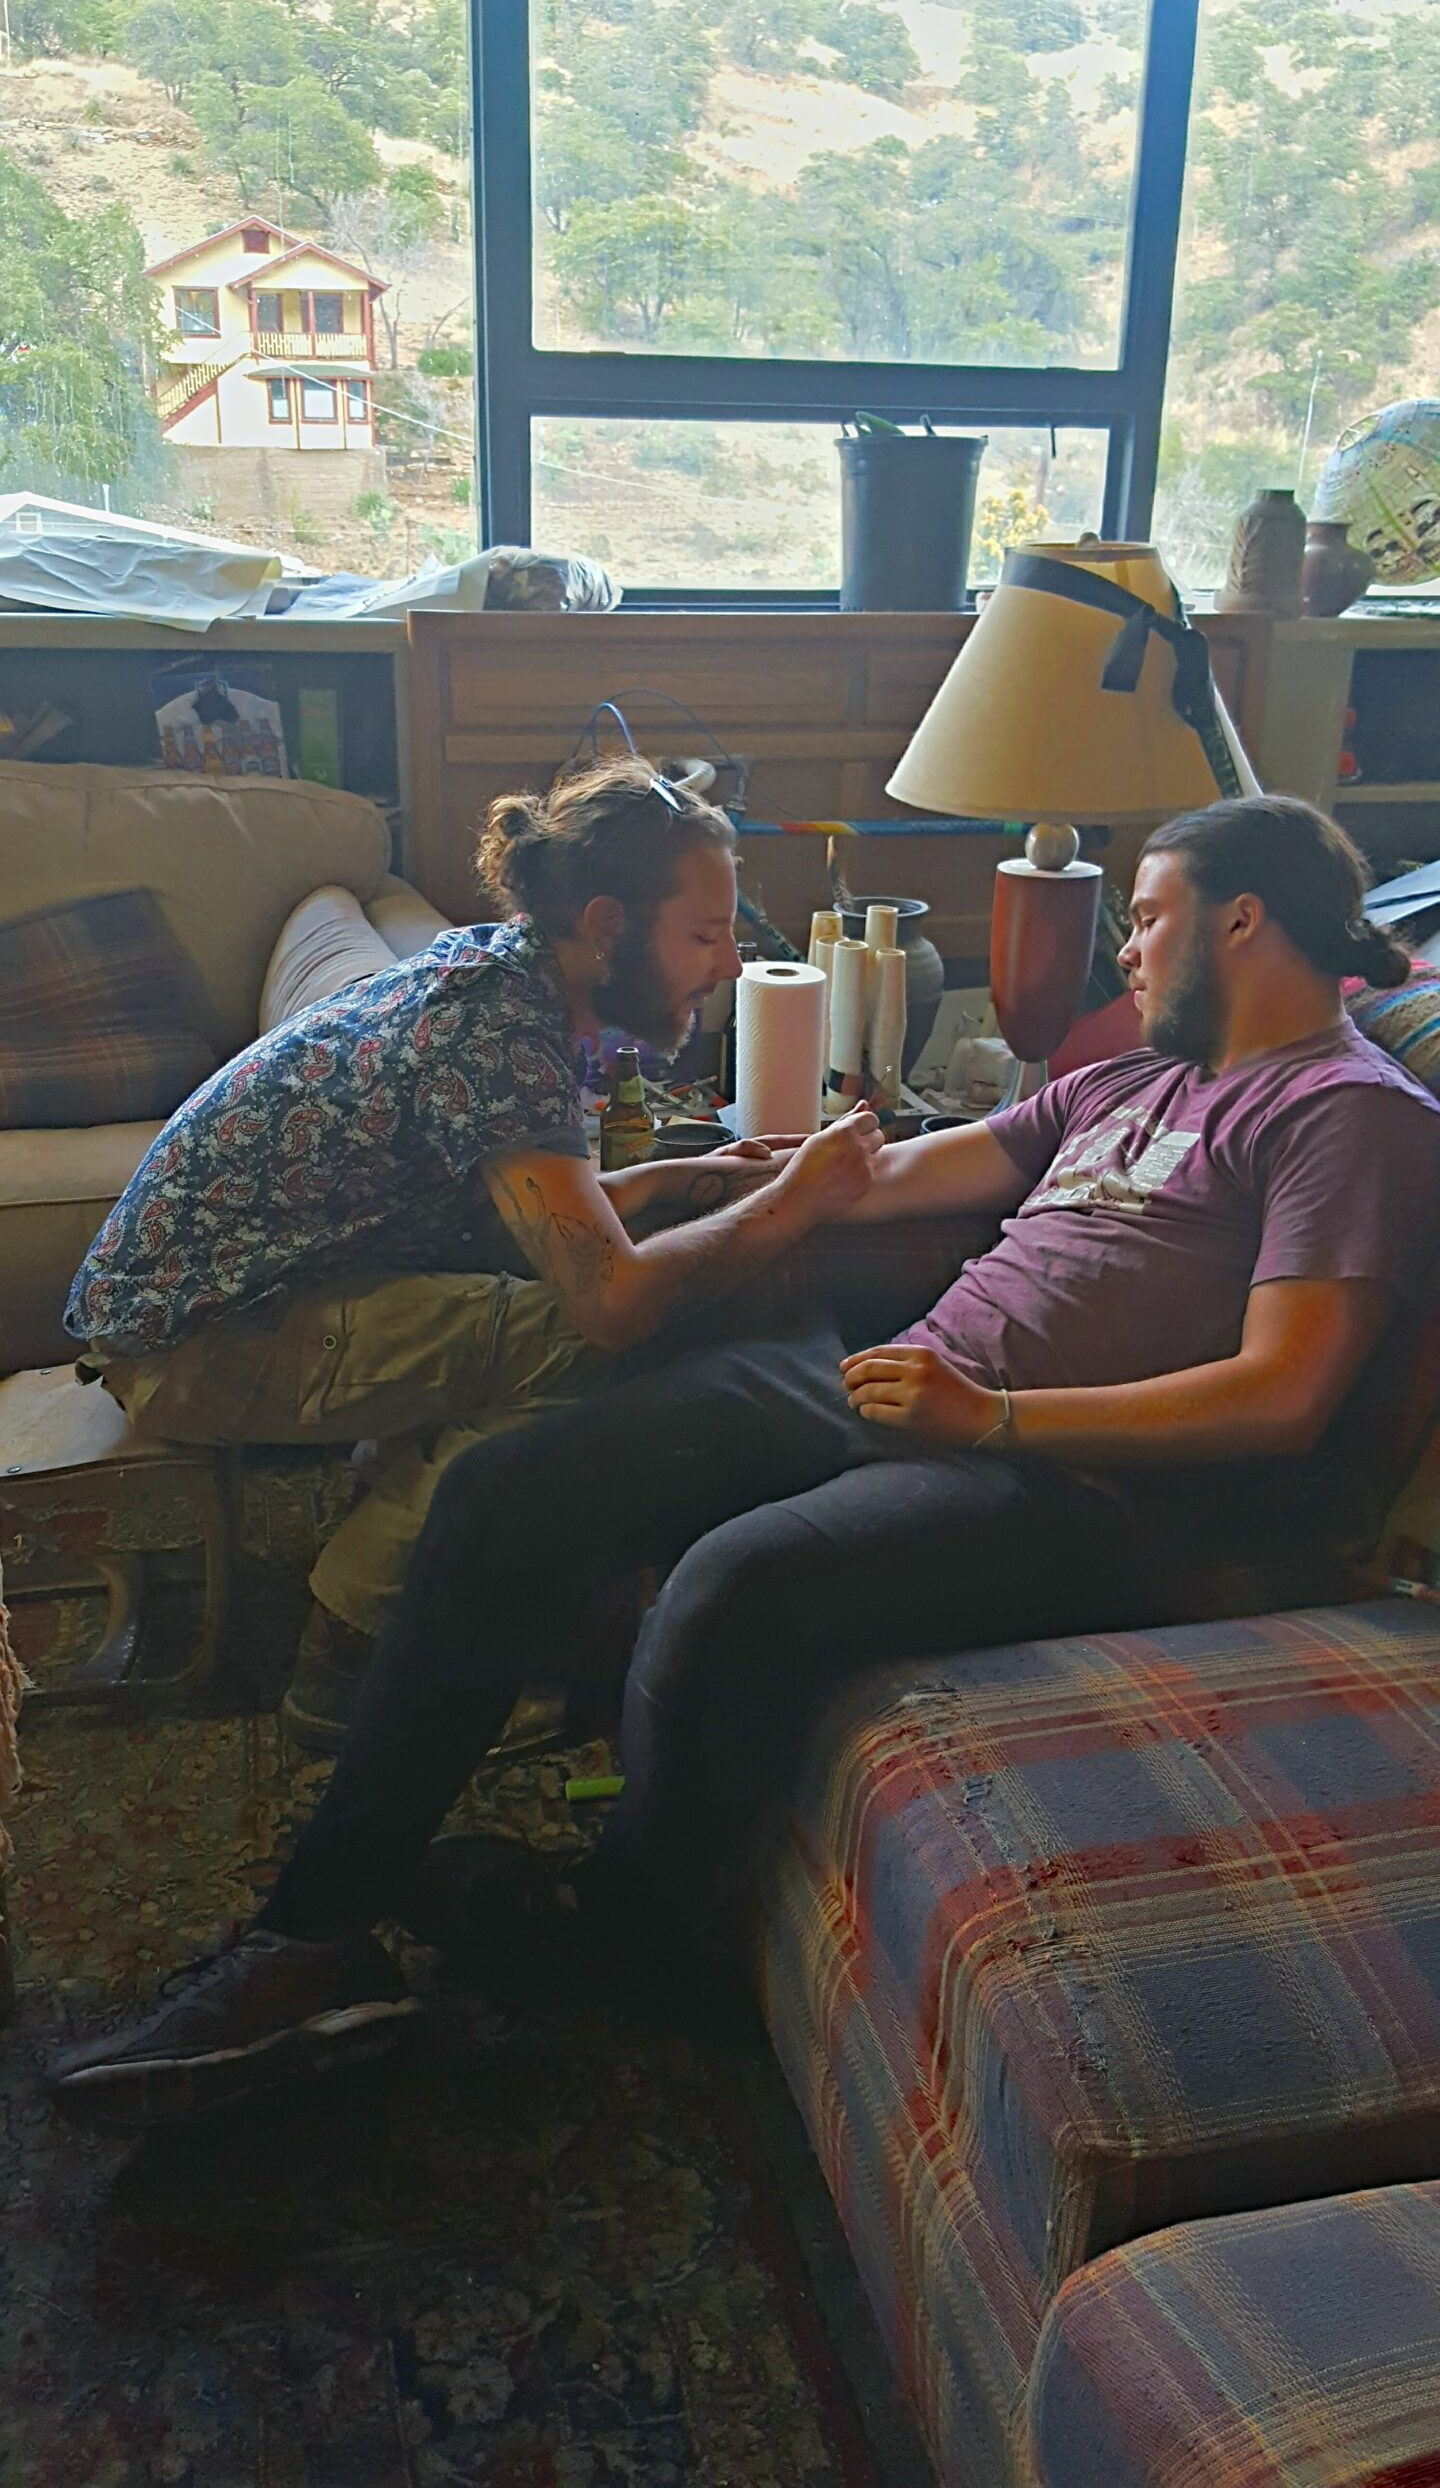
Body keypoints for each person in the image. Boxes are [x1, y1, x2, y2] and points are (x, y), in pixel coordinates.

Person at [51, 794, 1440, 2127]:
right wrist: (764, 1178)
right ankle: (310, 1937)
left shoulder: (1344, 1114)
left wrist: (994, 1419)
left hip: (1064, 1473)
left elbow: (1285, 1396)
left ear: (1244, 921)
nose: (1125, 949)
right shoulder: (1130, 1076)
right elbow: (893, 1177)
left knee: (732, 1582)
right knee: (510, 1487)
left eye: (1146, 917)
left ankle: (632, 1933)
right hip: (900, 1380)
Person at [62, 758, 881, 1750]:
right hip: (193, 1344)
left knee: (556, 1298)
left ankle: (412, 1524)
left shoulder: (503, 973)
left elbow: (527, 1207)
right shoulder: (500, 1038)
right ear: (608, 924)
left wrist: (683, 1179)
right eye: (705, 936)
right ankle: (350, 1653)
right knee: (596, 1344)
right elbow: (611, 1302)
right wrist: (795, 1200)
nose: (731, 964)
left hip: (200, 1303)